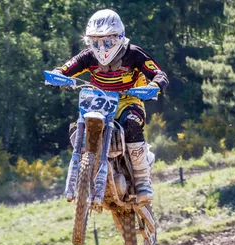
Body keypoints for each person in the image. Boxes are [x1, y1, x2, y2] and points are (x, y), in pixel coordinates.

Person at [53, 9, 169, 202]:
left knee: (132, 123)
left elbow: (158, 73)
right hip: (98, 102)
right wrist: (57, 74)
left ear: (119, 37)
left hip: (128, 101)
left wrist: (154, 86)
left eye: (106, 41)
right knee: (77, 127)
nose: (101, 47)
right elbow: (67, 67)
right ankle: (84, 174)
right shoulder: (88, 56)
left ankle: (142, 180)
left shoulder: (133, 54)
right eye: (95, 41)